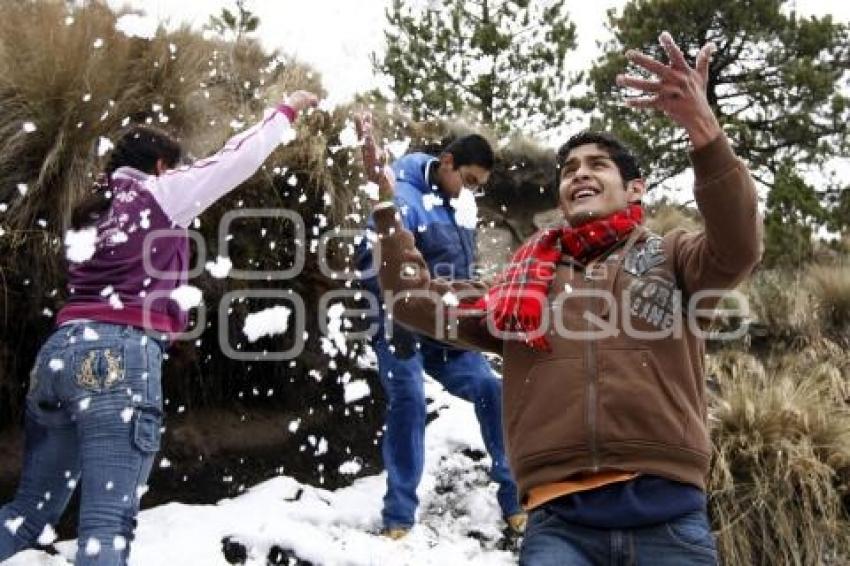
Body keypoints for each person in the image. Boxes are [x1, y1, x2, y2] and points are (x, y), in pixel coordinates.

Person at [363, 32, 761, 565]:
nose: (579, 174)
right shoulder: (519, 288)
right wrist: (388, 208)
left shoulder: (675, 259)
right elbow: (412, 299)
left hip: (671, 522)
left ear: (635, 190)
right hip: (560, 528)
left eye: (597, 164)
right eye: (570, 169)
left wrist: (703, 131)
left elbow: (738, 245)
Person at [0, 90, 318, 565]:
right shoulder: (158, 193)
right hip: (116, 358)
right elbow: (237, 159)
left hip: (59, 354)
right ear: (163, 165)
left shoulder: (89, 212)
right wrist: (285, 111)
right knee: (107, 522)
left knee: (27, 513)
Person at [356, 123, 525, 539]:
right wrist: (401, 307)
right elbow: (371, 258)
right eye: (467, 180)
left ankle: (516, 501)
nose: (469, 191)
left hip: (446, 324)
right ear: (447, 162)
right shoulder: (402, 194)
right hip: (400, 321)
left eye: (478, 186)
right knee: (409, 398)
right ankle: (398, 517)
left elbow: (461, 268)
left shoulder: (460, 203)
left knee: (492, 389)